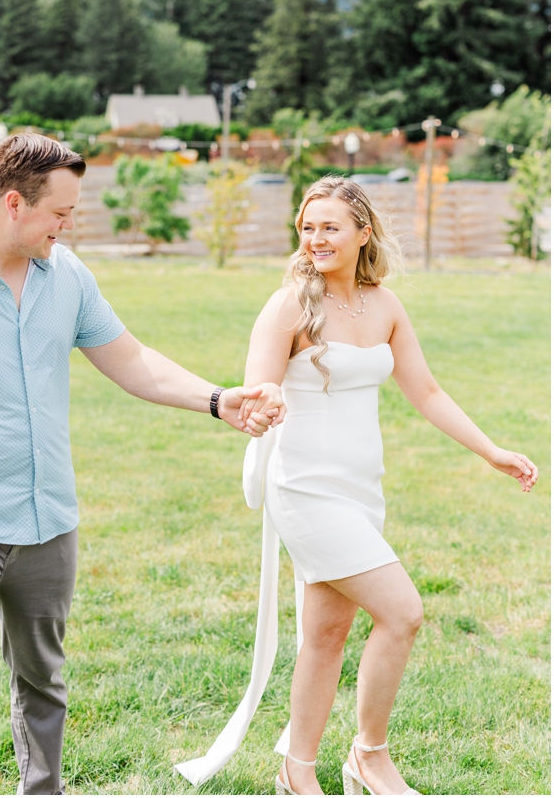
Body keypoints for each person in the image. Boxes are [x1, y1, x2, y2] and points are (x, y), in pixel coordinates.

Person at [0, 132, 285, 795]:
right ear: (13, 203)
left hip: (47, 517)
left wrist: (217, 399)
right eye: (61, 212)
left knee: (43, 681)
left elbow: (131, 359)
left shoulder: (66, 275)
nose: (71, 223)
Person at [225, 177, 537, 796]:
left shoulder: (386, 305)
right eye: (308, 226)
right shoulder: (288, 304)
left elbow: (425, 391)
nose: (316, 238)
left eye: (330, 227)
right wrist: (266, 401)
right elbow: (257, 386)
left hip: (362, 488)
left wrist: (491, 451)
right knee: (403, 613)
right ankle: (369, 756)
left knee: (326, 633)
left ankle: (297, 772)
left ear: (363, 232)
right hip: (306, 488)